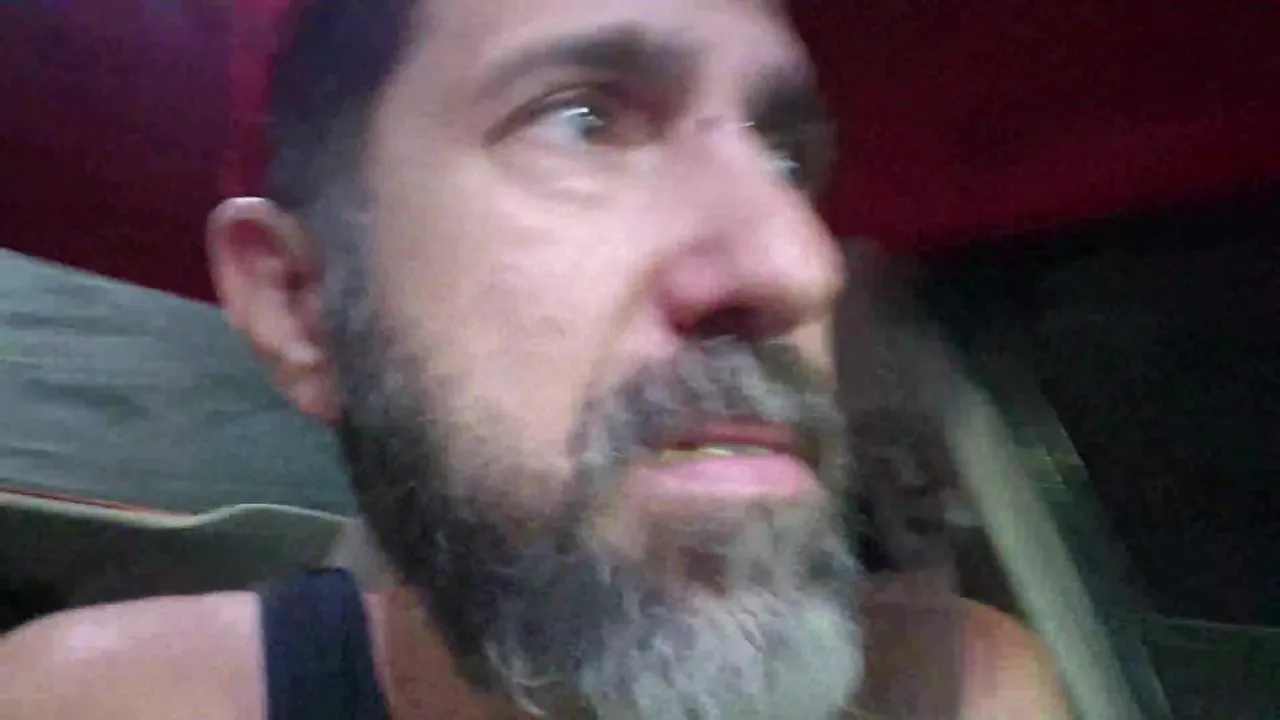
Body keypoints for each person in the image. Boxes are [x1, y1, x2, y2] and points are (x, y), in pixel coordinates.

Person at [0, 1, 1069, 718]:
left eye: (788, 158)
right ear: (300, 303)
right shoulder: (90, 701)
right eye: (583, 121)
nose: (800, 265)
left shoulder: (975, 692)